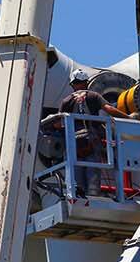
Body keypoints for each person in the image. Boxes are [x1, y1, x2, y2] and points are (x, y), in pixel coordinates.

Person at [55, 69, 128, 197]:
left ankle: (78, 196)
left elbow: (58, 123)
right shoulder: (93, 96)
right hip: (92, 142)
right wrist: (128, 118)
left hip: (74, 144)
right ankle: (93, 195)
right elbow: (109, 109)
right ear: (87, 82)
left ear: (72, 84)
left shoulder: (66, 101)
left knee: (75, 176)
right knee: (93, 173)